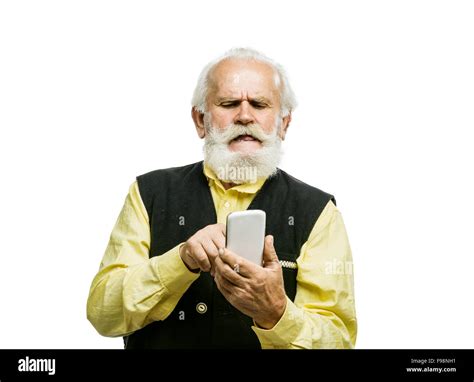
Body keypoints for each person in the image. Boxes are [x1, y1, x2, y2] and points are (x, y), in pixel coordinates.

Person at [86, 48, 357, 349]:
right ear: (200, 120)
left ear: (284, 124)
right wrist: (181, 262)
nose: (244, 116)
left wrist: (277, 313)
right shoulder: (148, 193)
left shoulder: (318, 212)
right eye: (229, 103)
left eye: (259, 104)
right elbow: (103, 313)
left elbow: (339, 340)